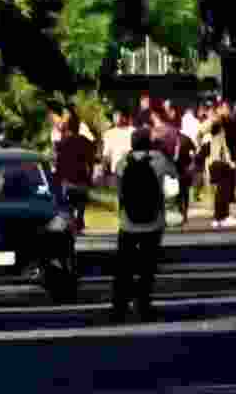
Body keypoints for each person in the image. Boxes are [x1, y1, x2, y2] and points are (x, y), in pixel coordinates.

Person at [111, 128, 179, 323]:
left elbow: (117, 188)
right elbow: (174, 175)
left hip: (128, 223)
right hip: (153, 222)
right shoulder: (159, 159)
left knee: (124, 268)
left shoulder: (123, 161)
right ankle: (144, 305)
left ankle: (120, 307)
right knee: (147, 268)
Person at [199, 101, 236, 228]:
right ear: (220, 109)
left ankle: (222, 216)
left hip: (222, 160)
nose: (228, 111)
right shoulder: (216, 120)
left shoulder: (224, 122)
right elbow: (202, 130)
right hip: (217, 160)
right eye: (226, 108)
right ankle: (220, 217)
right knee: (223, 189)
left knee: (224, 189)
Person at [55, 111, 97, 234]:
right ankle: (78, 223)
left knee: (69, 205)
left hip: (67, 180)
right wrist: (90, 176)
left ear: (68, 127)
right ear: (79, 126)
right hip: (81, 179)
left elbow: (59, 163)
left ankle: (73, 224)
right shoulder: (85, 142)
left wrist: (58, 178)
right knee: (81, 203)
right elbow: (91, 161)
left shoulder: (63, 143)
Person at [102, 110, 133, 185]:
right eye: (114, 117)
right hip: (116, 168)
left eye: (118, 116)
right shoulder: (109, 133)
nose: (116, 119)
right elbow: (106, 152)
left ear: (124, 118)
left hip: (130, 166)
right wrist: (104, 166)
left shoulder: (132, 131)